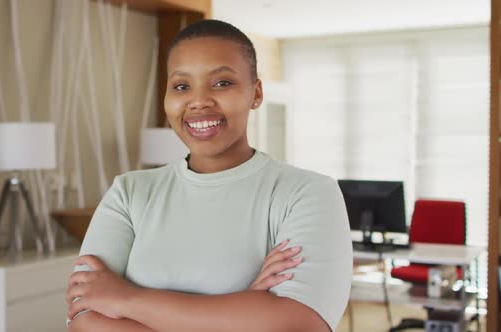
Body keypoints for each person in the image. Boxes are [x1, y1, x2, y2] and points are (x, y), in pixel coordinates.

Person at [66, 19, 352, 332]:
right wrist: (244, 312)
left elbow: (298, 325)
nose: (199, 100)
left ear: (255, 93)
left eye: (221, 83)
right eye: (181, 86)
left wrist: (127, 299)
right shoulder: (129, 193)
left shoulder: (307, 193)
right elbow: (84, 320)